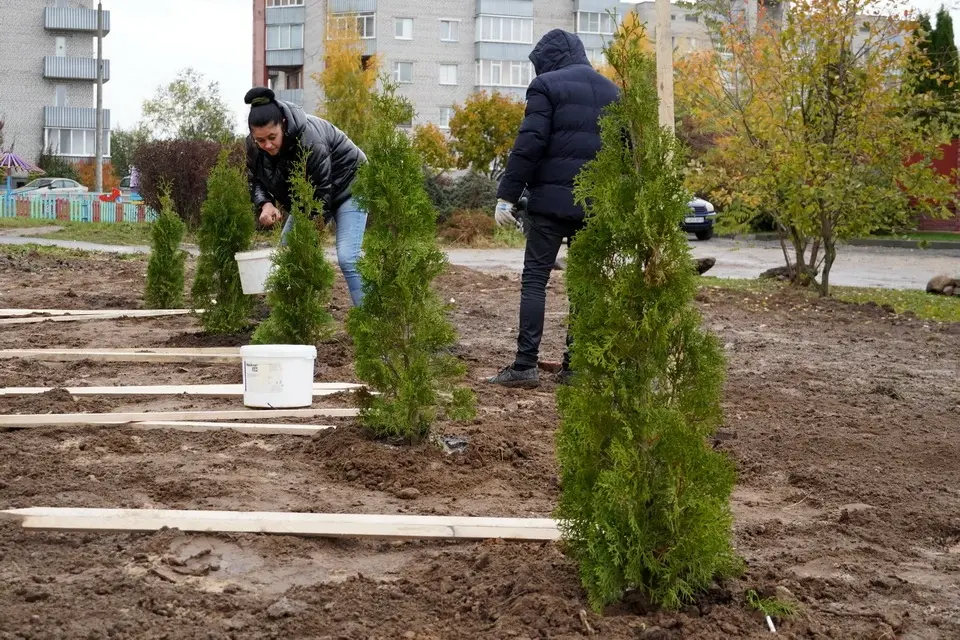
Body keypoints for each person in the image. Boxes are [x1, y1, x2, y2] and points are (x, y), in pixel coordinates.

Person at [487, 29, 619, 389]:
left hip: (549, 206)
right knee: (584, 286)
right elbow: (624, 154)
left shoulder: (546, 86)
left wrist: (508, 196)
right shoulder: (613, 91)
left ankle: (525, 365)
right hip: (596, 207)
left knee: (535, 280)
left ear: (548, 59)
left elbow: (530, 144)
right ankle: (575, 368)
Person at [244, 87, 368, 307]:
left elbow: (321, 194)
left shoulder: (310, 140)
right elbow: (255, 180)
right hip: (311, 196)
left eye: (272, 137)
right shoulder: (254, 148)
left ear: (282, 124)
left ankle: (371, 318)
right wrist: (265, 203)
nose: (267, 145)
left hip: (351, 185)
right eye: (260, 140)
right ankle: (290, 314)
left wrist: (306, 235)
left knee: (348, 257)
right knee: (286, 255)